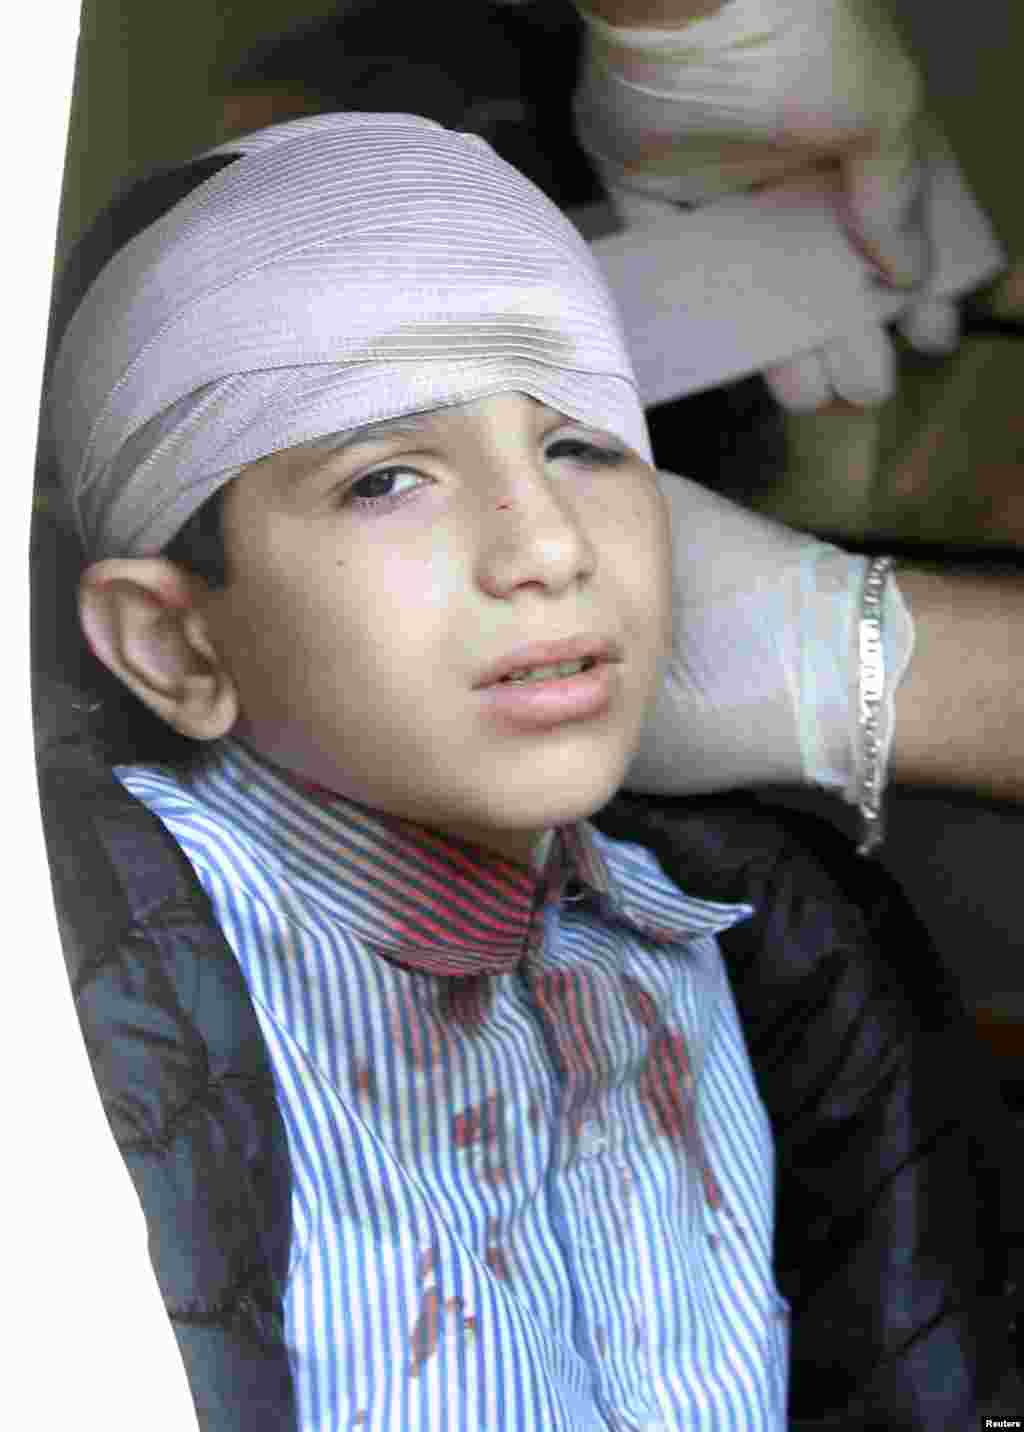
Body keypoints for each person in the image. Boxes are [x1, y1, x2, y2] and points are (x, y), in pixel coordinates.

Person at [41, 111, 1008, 1431]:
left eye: (581, 446)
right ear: (173, 641)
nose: (546, 545)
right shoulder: (66, 988)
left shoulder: (757, 952)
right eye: (386, 478)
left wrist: (870, 665)